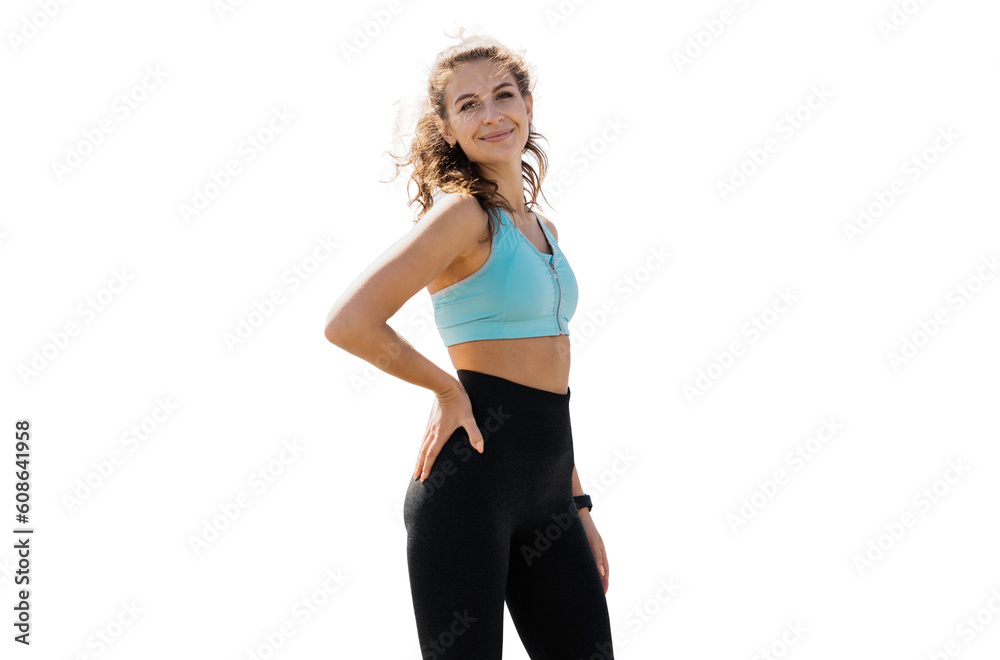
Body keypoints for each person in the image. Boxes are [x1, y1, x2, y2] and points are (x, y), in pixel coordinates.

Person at [323, 31, 615, 659]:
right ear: (448, 127)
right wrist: (446, 388)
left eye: (504, 96)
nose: (492, 114)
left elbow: (550, 389)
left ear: (529, 107)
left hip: (549, 500)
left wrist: (577, 502)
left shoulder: (544, 229)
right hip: (467, 492)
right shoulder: (461, 215)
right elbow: (350, 321)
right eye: (469, 105)